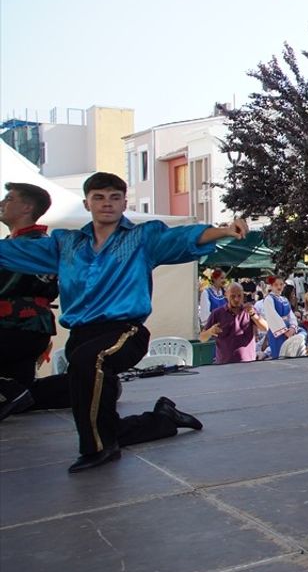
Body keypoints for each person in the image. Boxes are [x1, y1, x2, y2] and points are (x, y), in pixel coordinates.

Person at [0, 172, 242, 472]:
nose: (107, 204)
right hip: (80, 333)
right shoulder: (66, 244)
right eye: (99, 197)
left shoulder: (142, 238)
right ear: (87, 203)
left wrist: (225, 231)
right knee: (94, 409)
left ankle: (98, 450)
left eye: (115, 198)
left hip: (125, 330)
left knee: (92, 360)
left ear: (124, 203)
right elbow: (11, 251)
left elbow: (183, 237)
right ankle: (163, 418)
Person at [0, 182, 66, 419]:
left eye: (9, 198)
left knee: (13, 391)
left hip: (17, 326)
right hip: (27, 327)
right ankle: (85, 387)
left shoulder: (33, 246)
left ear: (27, 207)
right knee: (23, 393)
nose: (2, 203)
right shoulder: (18, 242)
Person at [198, 282, 269, 364]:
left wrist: (253, 315)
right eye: (233, 296)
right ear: (226, 295)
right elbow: (202, 338)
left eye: (239, 296)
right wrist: (210, 331)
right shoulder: (217, 313)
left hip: (248, 363)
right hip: (224, 364)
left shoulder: (249, 310)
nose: (236, 299)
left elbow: (265, 328)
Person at [256, 276, 299, 359]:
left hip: (288, 331)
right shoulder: (269, 299)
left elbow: (291, 315)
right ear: (271, 286)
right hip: (277, 332)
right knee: (279, 354)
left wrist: (293, 327)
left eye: (281, 284)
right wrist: (285, 331)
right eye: (276, 285)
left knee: (288, 354)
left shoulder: (285, 299)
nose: (279, 287)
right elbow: (272, 316)